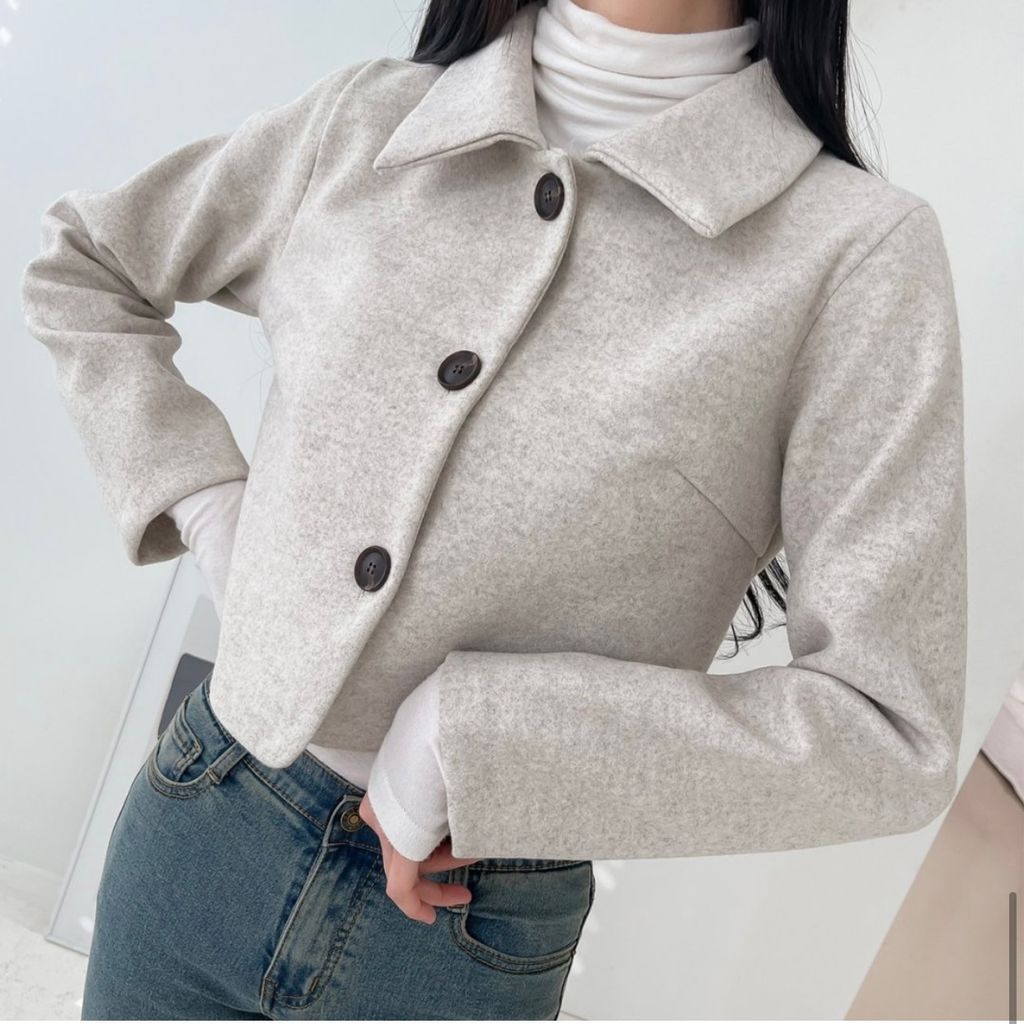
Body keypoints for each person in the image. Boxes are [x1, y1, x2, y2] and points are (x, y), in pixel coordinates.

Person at [21, 0, 968, 1018]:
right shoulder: (367, 120)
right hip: (204, 825)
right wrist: (211, 512)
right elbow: (87, 263)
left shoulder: (852, 256)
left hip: (464, 938)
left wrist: (469, 736)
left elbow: (889, 730)